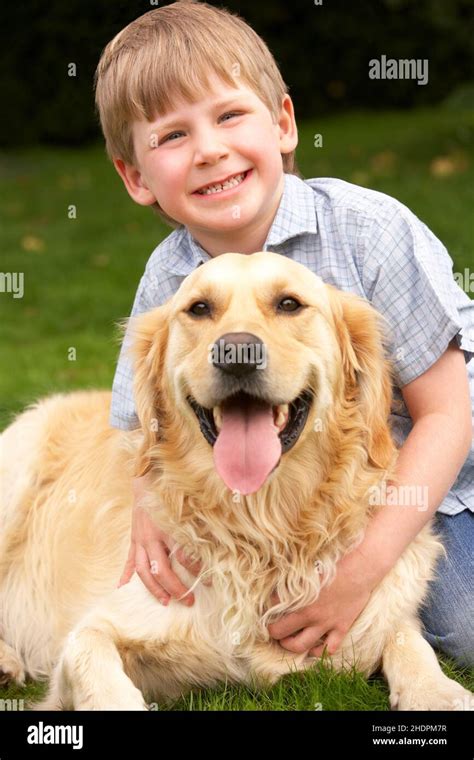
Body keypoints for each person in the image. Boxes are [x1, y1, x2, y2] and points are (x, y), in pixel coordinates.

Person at [94, 1, 474, 667]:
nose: (210, 149)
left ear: (284, 124)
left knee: (466, 628)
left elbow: (447, 414)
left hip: (439, 483)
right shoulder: (167, 280)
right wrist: (148, 505)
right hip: (308, 505)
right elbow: (144, 417)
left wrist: (361, 571)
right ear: (135, 178)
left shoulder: (371, 232)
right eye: (172, 137)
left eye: (229, 115)